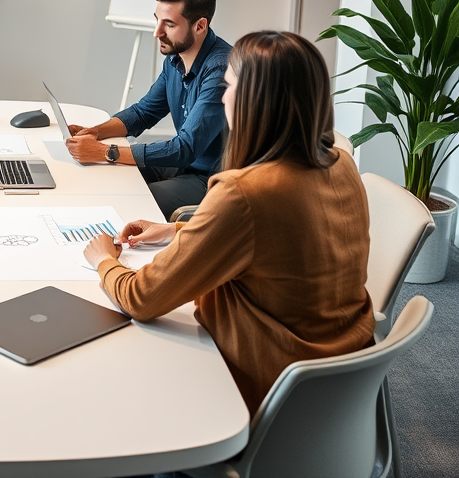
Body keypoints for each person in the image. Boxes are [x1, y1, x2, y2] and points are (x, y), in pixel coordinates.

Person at [83, 31, 375, 416]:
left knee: (115, 374)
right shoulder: (341, 163)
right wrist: (178, 230)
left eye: (229, 86)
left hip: (264, 389)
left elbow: (142, 298)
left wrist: (104, 259)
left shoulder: (244, 193)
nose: (222, 98)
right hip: (338, 385)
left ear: (255, 101)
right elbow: (285, 238)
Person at [66, 0, 231, 222]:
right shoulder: (175, 59)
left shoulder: (221, 70)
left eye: (169, 24)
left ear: (200, 26)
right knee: (108, 179)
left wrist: (105, 152)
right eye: (157, 21)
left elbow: (185, 148)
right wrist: (95, 132)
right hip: (183, 165)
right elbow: (143, 113)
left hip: (212, 178)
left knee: (128, 199)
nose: (157, 33)